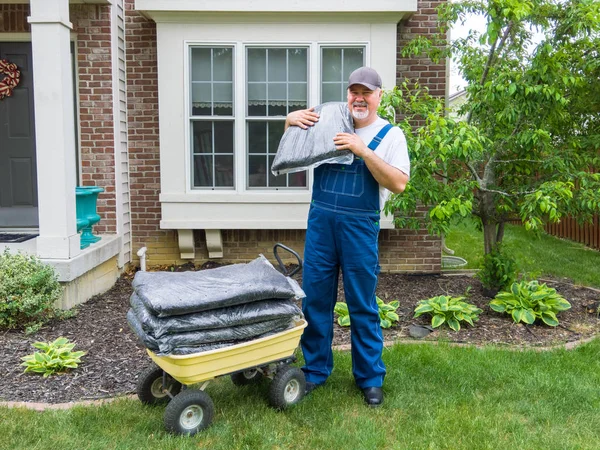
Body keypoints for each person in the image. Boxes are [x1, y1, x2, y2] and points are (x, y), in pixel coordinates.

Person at [285, 67, 410, 407]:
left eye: (366, 92)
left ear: (378, 96)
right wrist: (289, 123)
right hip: (321, 226)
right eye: (354, 91)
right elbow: (290, 155)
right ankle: (314, 370)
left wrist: (363, 150)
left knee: (362, 304)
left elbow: (398, 183)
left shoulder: (390, 135)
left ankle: (370, 378)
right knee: (315, 300)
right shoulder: (328, 124)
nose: (359, 97)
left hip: (359, 228)